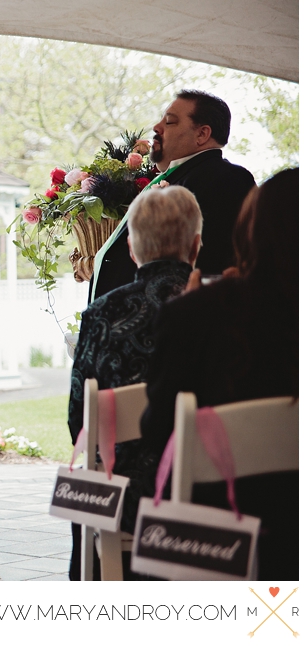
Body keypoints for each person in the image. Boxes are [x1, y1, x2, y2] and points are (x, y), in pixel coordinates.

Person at [140, 167, 298, 581]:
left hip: (217, 536)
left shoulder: (197, 313)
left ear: (252, 230)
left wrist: (191, 316)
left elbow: (159, 431)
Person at [66, 186, 203, 580]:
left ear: (131, 248)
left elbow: (79, 419)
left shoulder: (101, 314)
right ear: (195, 247)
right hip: (205, 485)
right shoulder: (218, 308)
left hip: (122, 491)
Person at [90, 90, 255, 302]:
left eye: (169, 122)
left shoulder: (225, 179)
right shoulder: (182, 174)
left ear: (202, 134)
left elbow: (215, 260)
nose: (156, 127)